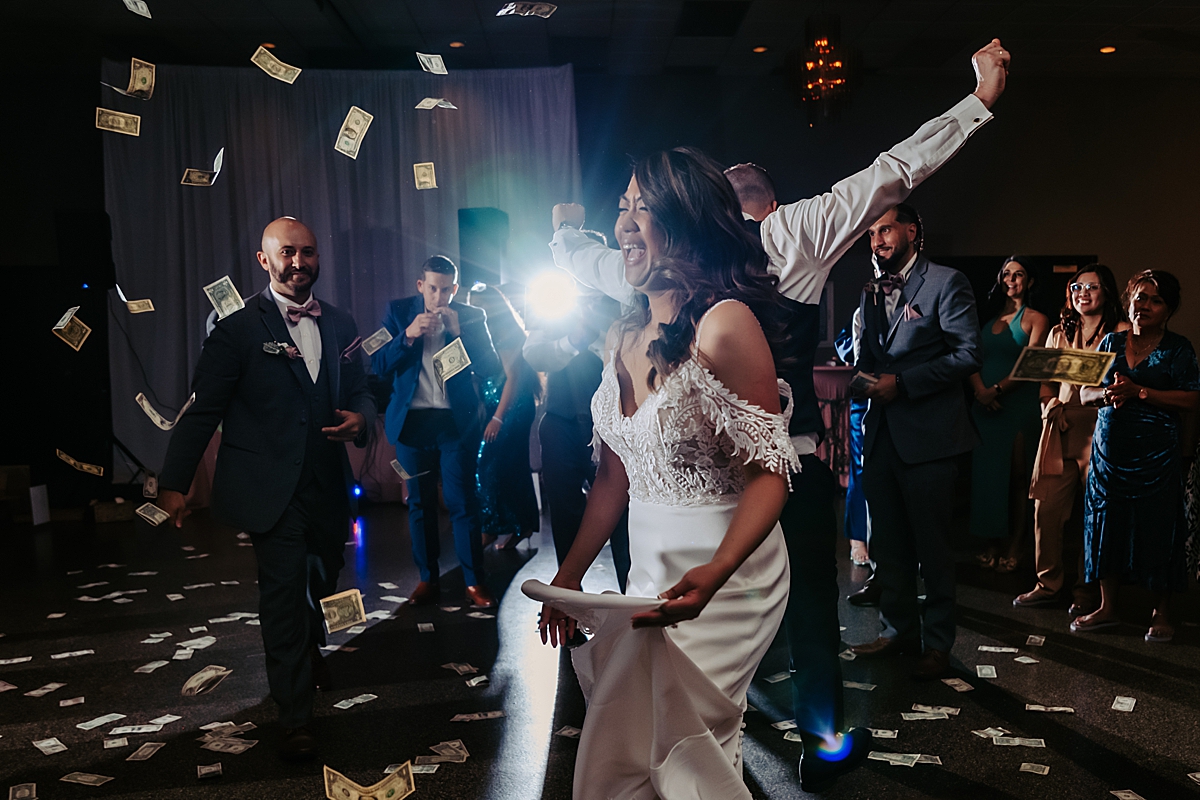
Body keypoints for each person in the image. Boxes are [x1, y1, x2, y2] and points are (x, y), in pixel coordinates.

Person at [547, 38, 1009, 790]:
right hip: (679, 492)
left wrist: (976, 107)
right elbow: (589, 260)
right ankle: (766, 728)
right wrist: (565, 234)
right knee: (702, 649)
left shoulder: (787, 236)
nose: (741, 215)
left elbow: (888, 176)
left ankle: (801, 735)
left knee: (800, 613)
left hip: (780, 462)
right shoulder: (648, 289)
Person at [528, 147, 799, 800]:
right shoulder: (623, 332)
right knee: (638, 747)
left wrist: (717, 572)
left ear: (684, 223)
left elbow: (772, 475)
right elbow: (612, 483)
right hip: (646, 575)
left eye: (640, 210)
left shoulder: (724, 325)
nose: (622, 225)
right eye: (620, 208)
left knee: (686, 746)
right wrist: (569, 577)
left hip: (727, 575)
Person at [157, 217, 376, 761]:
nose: (298, 262)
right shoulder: (235, 330)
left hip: (326, 486)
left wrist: (362, 420)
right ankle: (294, 717)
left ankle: (309, 646)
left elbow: (363, 390)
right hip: (269, 490)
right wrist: (173, 484)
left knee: (323, 579)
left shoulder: (342, 323)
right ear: (265, 260)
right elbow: (202, 408)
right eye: (287, 253)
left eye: (307, 252)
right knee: (281, 597)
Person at [848, 203, 982, 681]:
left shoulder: (946, 282)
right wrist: (859, 380)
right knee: (890, 544)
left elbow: (968, 354)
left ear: (911, 230)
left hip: (930, 438)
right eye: (871, 233)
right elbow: (869, 354)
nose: (878, 239)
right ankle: (896, 631)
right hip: (882, 434)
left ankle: (939, 645)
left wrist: (902, 385)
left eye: (885, 229)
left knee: (934, 549)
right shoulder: (869, 289)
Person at [371, 255, 502, 609]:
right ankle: (427, 578)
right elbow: (377, 363)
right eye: (432, 288)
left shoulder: (472, 316)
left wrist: (460, 334)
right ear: (420, 286)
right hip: (413, 423)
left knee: (462, 501)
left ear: (454, 289)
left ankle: (474, 582)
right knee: (419, 502)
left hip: (454, 424)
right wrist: (408, 336)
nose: (438, 296)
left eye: (446, 290)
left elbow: (491, 370)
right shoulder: (398, 311)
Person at [1076, 270, 1200, 642]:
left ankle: (1161, 612)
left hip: (1156, 457)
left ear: (1168, 310)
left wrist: (1140, 392)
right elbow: (1084, 394)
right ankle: (1108, 606)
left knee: (1158, 528)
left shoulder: (1178, 349)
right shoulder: (1110, 341)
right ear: (1128, 300)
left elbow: (1192, 399)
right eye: (1139, 297)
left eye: (1154, 300)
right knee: (1106, 524)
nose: (1143, 305)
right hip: (1108, 453)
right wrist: (1107, 395)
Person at [1015, 264, 1127, 613]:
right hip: (1059, 428)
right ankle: (1047, 584)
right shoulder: (1058, 333)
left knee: (1097, 514)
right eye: (1077, 287)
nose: (1083, 293)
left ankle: (1088, 591)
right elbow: (1045, 383)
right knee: (1045, 510)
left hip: (1102, 430)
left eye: (1092, 287)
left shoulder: (1123, 331)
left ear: (1106, 291)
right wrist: (1049, 403)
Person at [523, 279, 631, 590]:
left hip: (614, 422)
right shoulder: (553, 299)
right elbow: (534, 355)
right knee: (565, 513)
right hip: (561, 421)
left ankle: (631, 597)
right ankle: (569, 598)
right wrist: (572, 341)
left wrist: (597, 332)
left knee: (622, 513)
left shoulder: (620, 297)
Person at [967, 257, 1050, 572]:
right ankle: (991, 543)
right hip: (984, 407)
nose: (1011, 279)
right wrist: (979, 391)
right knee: (988, 478)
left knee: (1018, 479)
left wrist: (995, 391)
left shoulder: (1037, 319)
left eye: (1019, 274)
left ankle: (1018, 543)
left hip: (1018, 405)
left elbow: (1032, 365)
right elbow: (969, 357)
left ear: (1029, 281)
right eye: (1006, 274)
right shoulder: (988, 320)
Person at [466, 283, 541, 550]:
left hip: (511, 407)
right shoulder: (483, 333)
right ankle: (523, 525)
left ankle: (492, 527)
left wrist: (497, 417)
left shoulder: (504, 333)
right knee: (512, 468)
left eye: (479, 303)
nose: (474, 309)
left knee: (488, 465)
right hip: (499, 405)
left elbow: (513, 377)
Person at [835, 312, 872, 571]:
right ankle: (857, 538)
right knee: (861, 468)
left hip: (902, 396)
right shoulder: (863, 305)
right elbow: (845, 345)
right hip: (866, 395)